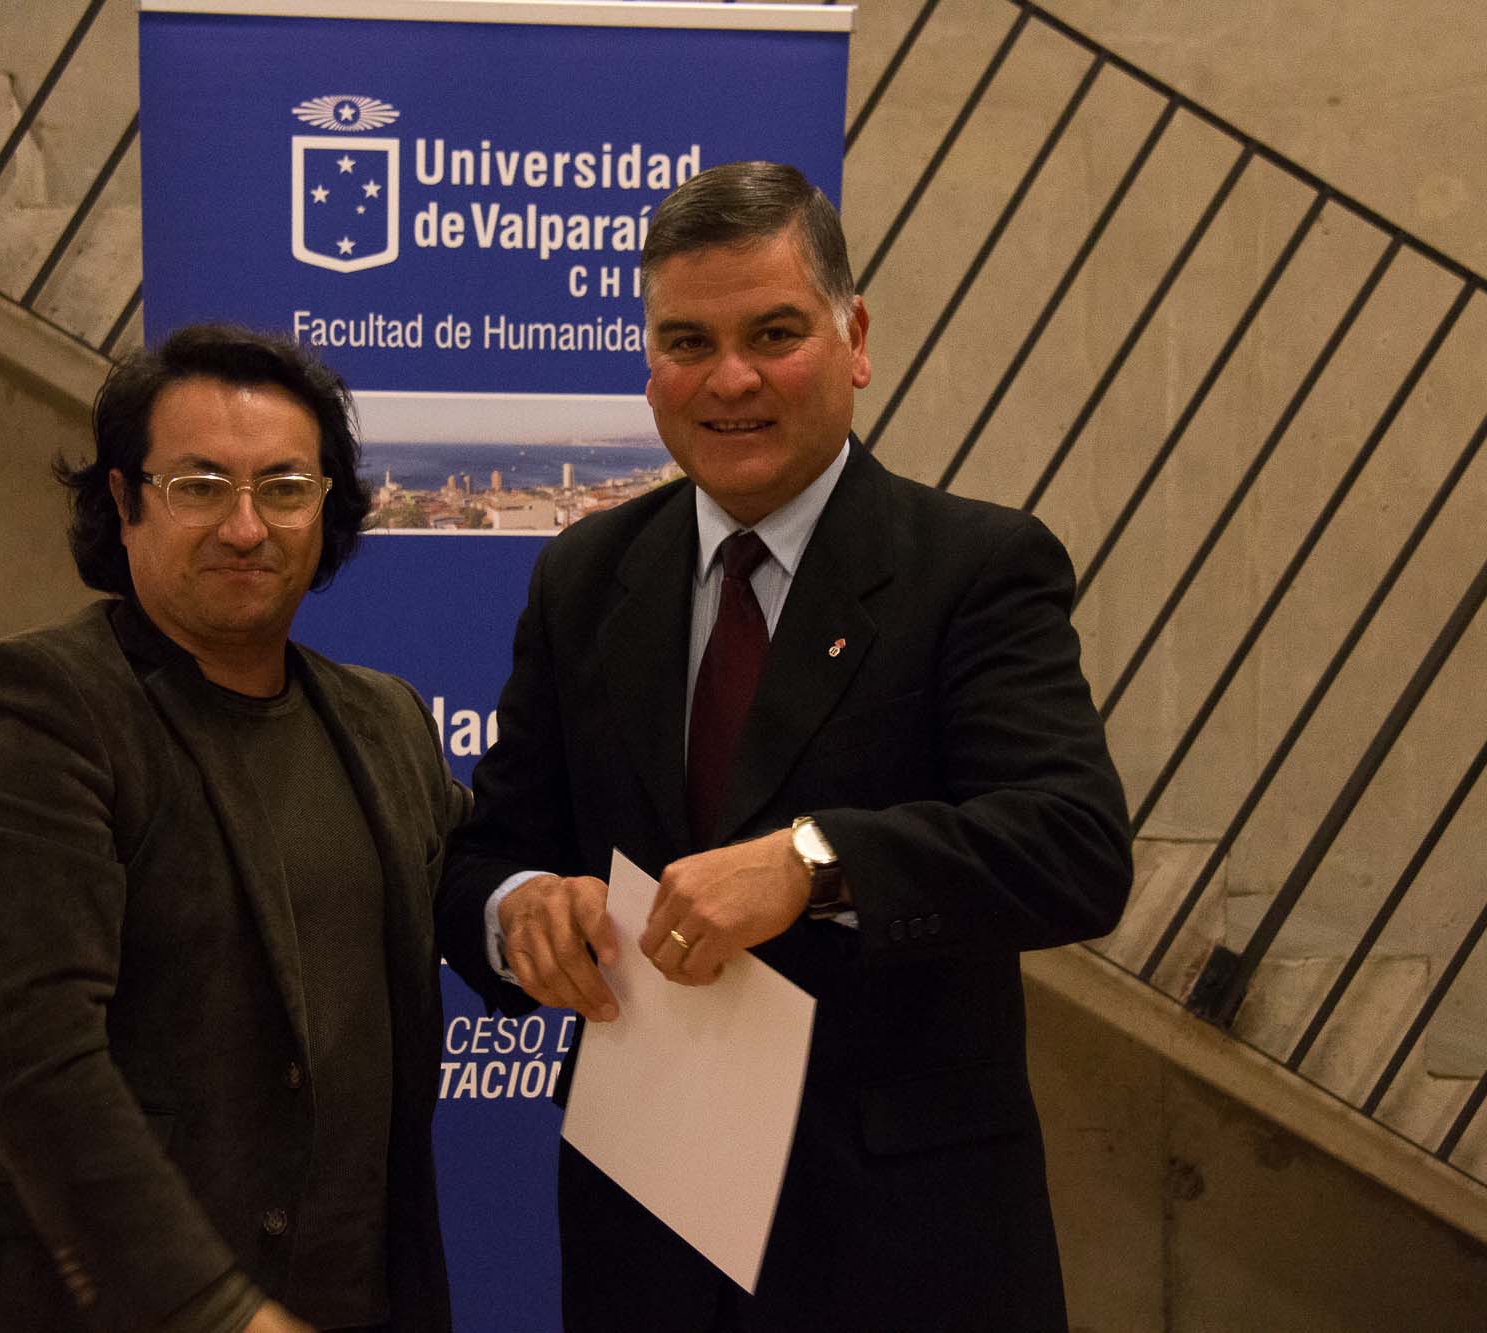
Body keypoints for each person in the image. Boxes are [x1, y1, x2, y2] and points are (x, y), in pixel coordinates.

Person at [438, 161, 1133, 1330]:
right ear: (649, 366)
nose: (730, 379)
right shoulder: (583, 578)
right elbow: (487, 853)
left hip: (901, 1254)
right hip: (644, 1242)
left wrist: (814, 864)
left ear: (853, 339)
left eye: (773, 333)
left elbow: (1071, 848)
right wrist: (518, 913)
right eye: (687, 342)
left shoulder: (975, 568)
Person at [0, 324, 466, 1333]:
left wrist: (536, 903)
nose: (246, 527)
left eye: (284, 488)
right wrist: (209, 1311)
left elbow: (470, 883)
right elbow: (26, 1054)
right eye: (200, 486)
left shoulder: (382, 719)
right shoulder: (40, 707)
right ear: (124, 501)